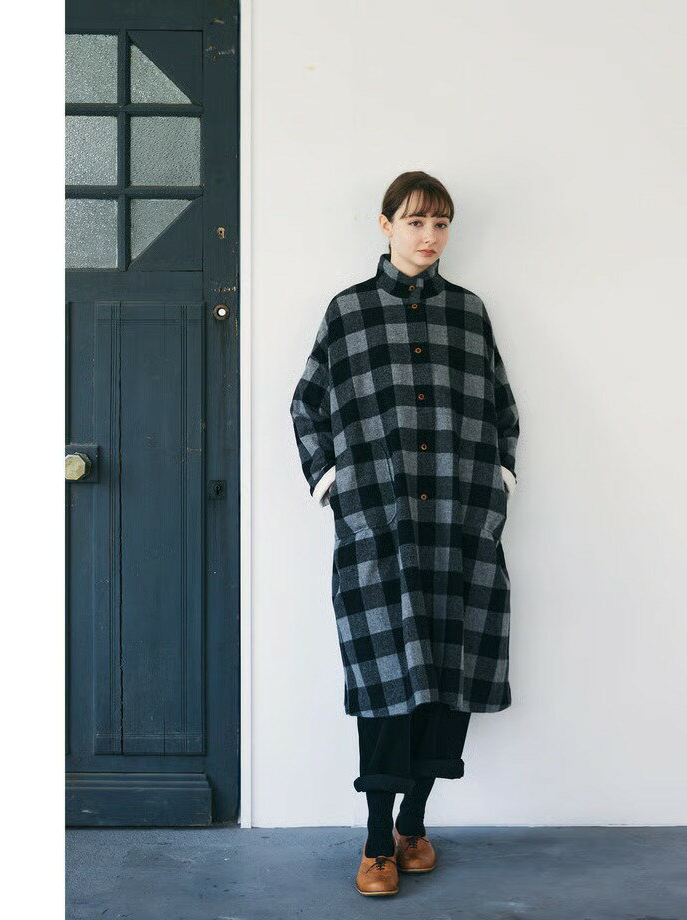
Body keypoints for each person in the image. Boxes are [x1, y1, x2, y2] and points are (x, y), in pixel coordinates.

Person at [290, 171, 520, 896]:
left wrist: (499, 482)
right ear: (386, 224)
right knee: (384, 679)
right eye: (416, 222)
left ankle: (415, 825)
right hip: (379, 527)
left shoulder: (469, 313)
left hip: (458, 522)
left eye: (441, 223)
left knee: (447, 676)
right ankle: (375, 841)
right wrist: (334, 485)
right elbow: (307, 404)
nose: (430, 236)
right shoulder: (350, 311)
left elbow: (501, 407)